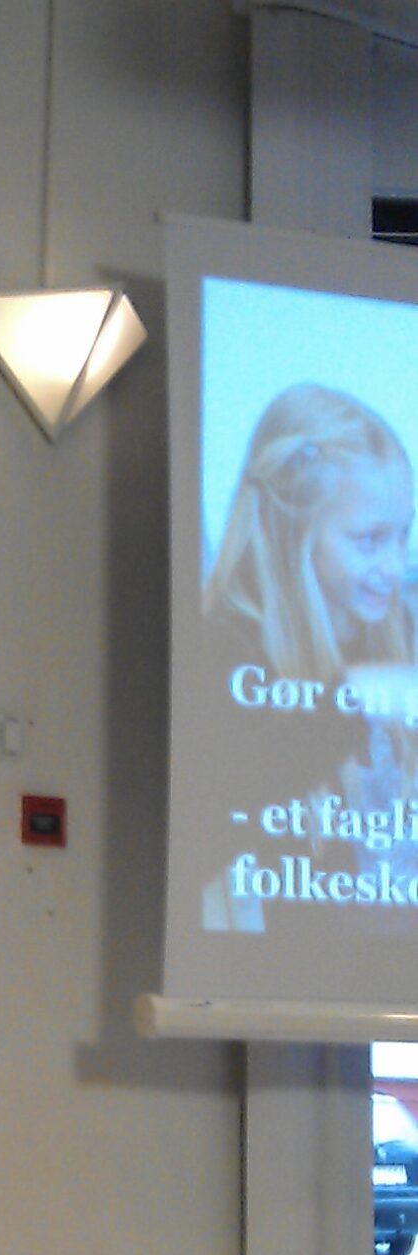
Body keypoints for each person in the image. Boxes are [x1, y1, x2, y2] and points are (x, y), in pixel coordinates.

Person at [200, 381, 417, 927]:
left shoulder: (400, 626)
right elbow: (218, 816)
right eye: (370, 540)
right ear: (291, 531)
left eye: (404, 535)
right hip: (294, 968)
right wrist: (353, 699)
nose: (395, 567)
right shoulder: (223, 648)